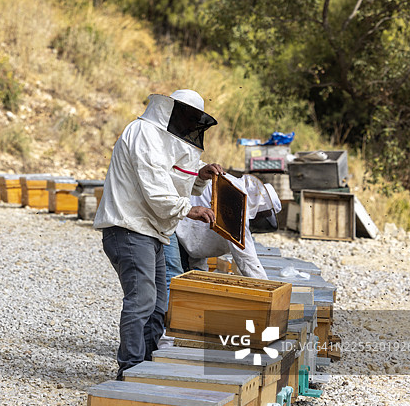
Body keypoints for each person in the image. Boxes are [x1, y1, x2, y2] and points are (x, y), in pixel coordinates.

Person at [94, 89, 224, 379]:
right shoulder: (144, 133)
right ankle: (129, 370)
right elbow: (156, 191)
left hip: (151, 231)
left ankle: (147, 364)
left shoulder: (163, 141)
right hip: (128, 228)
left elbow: (177, 182)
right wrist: (189, 210)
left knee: (159, 304)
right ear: (172, 111)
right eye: (187, 117)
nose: (190, 124)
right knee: (141, 299)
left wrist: (201, 177)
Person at [176, 172, 282, 279]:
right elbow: (246, 257)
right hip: (172, 223)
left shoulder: (233, 186)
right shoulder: (236, 199)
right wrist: (265, 285)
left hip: (184, 227)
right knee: (172, 273)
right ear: (261, 203)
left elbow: (203, 233)